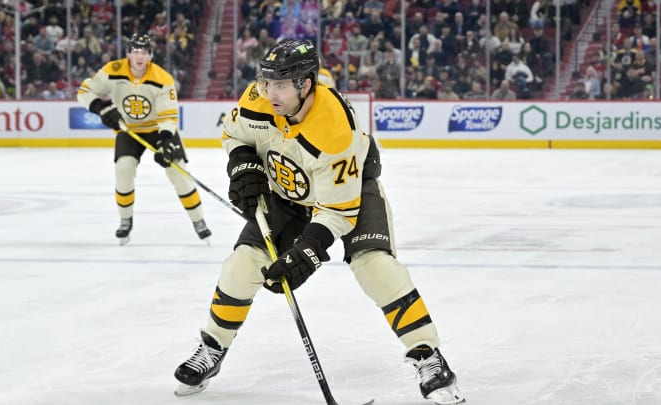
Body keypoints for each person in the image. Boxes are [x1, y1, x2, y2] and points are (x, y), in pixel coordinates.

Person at [172, 38, 465, 404]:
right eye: (266, 82)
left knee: (375, 267)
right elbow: (234, 134)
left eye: (279, 84)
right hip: (287, 194)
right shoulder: (258, 98)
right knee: (242, 264)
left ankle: (428, 356)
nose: (269, 91)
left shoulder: (334, 129)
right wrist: (243, 165)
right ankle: (213, 348)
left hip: (351, 193)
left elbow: (336, 211)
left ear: (304, 84)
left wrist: (307, 250)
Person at [76, 33, 211, 245]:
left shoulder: (162, 78)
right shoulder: (113, 70)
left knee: (178, 171)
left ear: (151, 56)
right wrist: (100, 108)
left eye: (144, 52)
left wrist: (166, 141)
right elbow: (85, 91)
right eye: (136, 51)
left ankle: (198, 220)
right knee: (123, 169)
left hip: (159, 129)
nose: (139, 56)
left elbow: (168, 114)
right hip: (128, 129)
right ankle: (125, 219)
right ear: (128, 53)